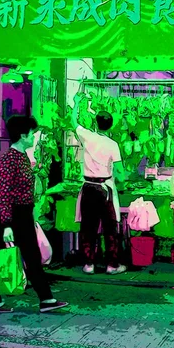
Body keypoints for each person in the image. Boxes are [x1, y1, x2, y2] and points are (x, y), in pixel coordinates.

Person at [0, 115, 68, 313]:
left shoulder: (22, 157)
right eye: (32, 133)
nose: (34, 136)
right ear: (23, 135)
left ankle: (45, 299)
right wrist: (6, 224)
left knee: (31, 255)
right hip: (11, 213)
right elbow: (2, 193)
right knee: (4, 255)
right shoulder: (9, 159)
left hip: (23, 212)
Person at [71, 93, 127, 275]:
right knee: (110, 229)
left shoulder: (87, 136)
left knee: (88, 228)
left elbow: (74, 121)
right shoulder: (113, 144)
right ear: (111, 126)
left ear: (95, 123)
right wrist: (123, 181)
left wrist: (77, 103)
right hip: (105, 190)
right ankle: (112, 265)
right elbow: (119, 172)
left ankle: (89, 264)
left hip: (88, 188)